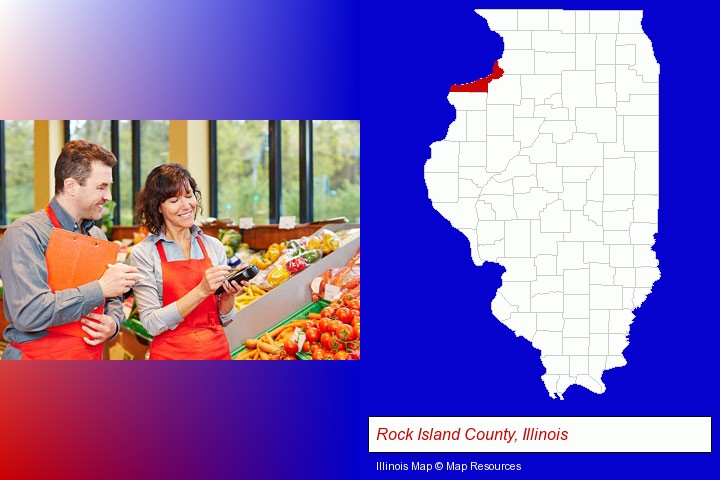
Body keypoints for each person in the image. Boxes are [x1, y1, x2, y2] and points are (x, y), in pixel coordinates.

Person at [0, 140, 139, 360]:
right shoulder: (25, 233)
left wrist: (113, 323)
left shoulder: (98, 236)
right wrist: (99, 288)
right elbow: (29, 313)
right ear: (71, 186)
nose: (109, 196)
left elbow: (113, 298)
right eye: (101, 187)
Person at [130, 163, 243, 360]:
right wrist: (201, 290)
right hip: (171, 357)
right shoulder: (144, 253)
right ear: (158, 206)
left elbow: (225, 318)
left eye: (189, 196)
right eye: (174, 200)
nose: (186, 206)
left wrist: (228, 296)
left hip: (217, 353)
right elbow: (151, 323)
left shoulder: (213, 246)